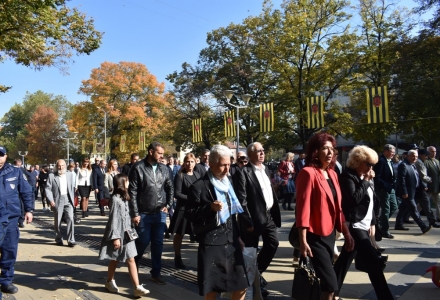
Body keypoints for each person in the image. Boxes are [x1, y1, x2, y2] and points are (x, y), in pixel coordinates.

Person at [295, 133, 354, 300]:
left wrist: (347, 233)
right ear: (315, 151)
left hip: (330, 235)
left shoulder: (333, 174)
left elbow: (338, 208)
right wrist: (303, 240)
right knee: (331, 284)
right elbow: (303, 209)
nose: (330, 152)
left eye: (332, 149)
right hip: (314, 236)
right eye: (325, 149)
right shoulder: (308, 173)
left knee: (327, 285)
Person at [186, 145, 248, 300]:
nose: (227, 169)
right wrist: (209, 208)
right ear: (211, 164)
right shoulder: (199, 186)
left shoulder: (228, 184)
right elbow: (189, 214)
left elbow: (232, 215)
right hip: (211, 243)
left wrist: (238, 236)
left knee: (241, 286)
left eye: (229, 164)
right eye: (223, 165)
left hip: (231, 241)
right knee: (213, 290)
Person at [333, 146, 393, 300]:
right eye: (368, 164)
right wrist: (366, 181)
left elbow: (372, 201)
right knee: (374, 262)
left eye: (372, 165)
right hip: (354, 225)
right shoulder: (348, 177)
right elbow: (354, 199)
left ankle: (329, 291)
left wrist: (372, 223)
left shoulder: (365, 177)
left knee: (344, 261)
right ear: (357, 161)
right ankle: (385, 297)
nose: (370, 168)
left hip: (364, 225)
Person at [234, 142, 281, 295]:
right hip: (252, 219)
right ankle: (251, 287)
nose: (262, 153)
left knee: (273, 243)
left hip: (267, 216)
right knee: (250, 252)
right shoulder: (243, 172)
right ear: (250, 154)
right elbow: (242, 199)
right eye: (258, 151)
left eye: (263, 150)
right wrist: (247, 221)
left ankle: (257, 275)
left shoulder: (265, 169)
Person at [128, 142, 173, 285]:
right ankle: (133, 263)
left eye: (162, 154)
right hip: (143, 213)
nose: (162, 156)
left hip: (160, 212)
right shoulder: (138, 168)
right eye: (159, 153)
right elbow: (132, 192)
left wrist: (168, 205)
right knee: (142, 240)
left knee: (158, 243)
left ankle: (156, 273)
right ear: (150, 152)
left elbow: (170, 187)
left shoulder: (165, 169)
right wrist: (135, 213)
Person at [98, 174, 150, 297]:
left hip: (127, 233)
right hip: (118, 234)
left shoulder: (125, 197)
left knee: (130, 258)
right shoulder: (115, 199)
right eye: (127, 181)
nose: (129, 183)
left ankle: (137, 287)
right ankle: (110, 281)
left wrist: (133, 220)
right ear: (122, 183)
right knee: (115, 259)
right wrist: (115, 237)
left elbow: (125, 214)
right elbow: (114, 219)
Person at [0, 146, 33, 294]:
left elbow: (26, 191)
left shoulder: (15, 171)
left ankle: (6, 280)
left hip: (11, 218)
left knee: (9, 251)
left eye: (1, 155)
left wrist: (29, 210)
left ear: (6, 156)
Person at [169, 153, 200, 269]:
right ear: (184, 162)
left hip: (195, 210)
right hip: (183, 209)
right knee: (179, 234)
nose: (189, 164)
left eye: (192, 161)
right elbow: (177, 193)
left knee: (197, 234)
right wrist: (191, 199)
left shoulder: (197, 175)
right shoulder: (180, 175)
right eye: (187, 161)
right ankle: (177, 257)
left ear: (195, 162)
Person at [395, 150, 432, 234]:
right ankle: (423, 226)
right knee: (413, 209)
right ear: (407, 156)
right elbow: (401, 180)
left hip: (414, 191)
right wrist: (404, 192)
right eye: (412, 156)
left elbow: (417, 177)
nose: (414, 158)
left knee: (403, 208)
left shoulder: (413, 165)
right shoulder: (403, 165)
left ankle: (398, 224)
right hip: (407, 193)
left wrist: (422, 186)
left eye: (416, 156)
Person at [45, 159, 76, 247]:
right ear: (56, 166)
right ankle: (58, 238)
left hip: (68, 199)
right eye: (59, 165)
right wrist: (51, 200)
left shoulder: (69, 174)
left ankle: (71, 240)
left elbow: (72, 188)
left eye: (62, 165)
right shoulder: (51, 176)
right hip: (57, 200)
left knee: (70, 218)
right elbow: (47, 189)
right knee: (58, 220)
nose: (60, 167)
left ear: (65, 166)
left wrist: (73, 199)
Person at [373, 144, 398, 239]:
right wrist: (385, 186)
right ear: (386, 151)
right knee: (386, 209)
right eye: (392, 152)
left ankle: (382, 224)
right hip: (384, 189)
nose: (393, 154)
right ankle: (385, 230)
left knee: (394, 206)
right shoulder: (381, 161)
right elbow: (377, 177)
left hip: (391, 188)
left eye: (394, 152)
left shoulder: (390, 161)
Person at [425, 146, 440, 222]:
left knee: (438, 203)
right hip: (429, 186)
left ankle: (439, 217)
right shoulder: (426, 162)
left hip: (436, 187)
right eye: (432, 151)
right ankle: (413, 213)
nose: (434, 153)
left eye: (435, 151)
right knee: (424, 203)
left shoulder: (437, 161)